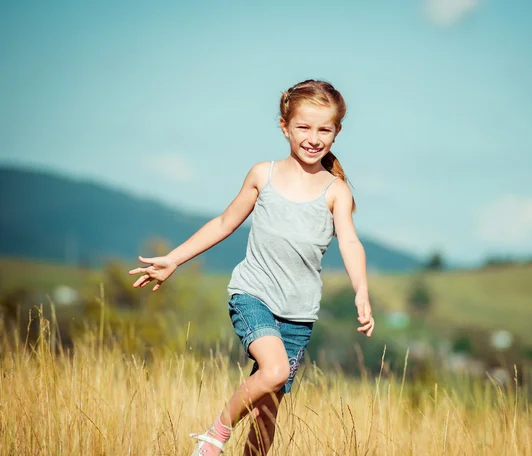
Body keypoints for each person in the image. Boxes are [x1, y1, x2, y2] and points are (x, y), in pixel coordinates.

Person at [128, 79, 375, 455]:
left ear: (337, 131)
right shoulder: (264, 175)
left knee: (266, 412)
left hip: (298, 314)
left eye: (324, 129)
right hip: (253, 295)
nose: (313, 137)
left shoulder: (336, 191)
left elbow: (352, 243)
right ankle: (214, 436)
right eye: (303, 127)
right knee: (273, 372)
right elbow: (225, 223)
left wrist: (361, 290)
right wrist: (173, 259)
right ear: (284, 126)